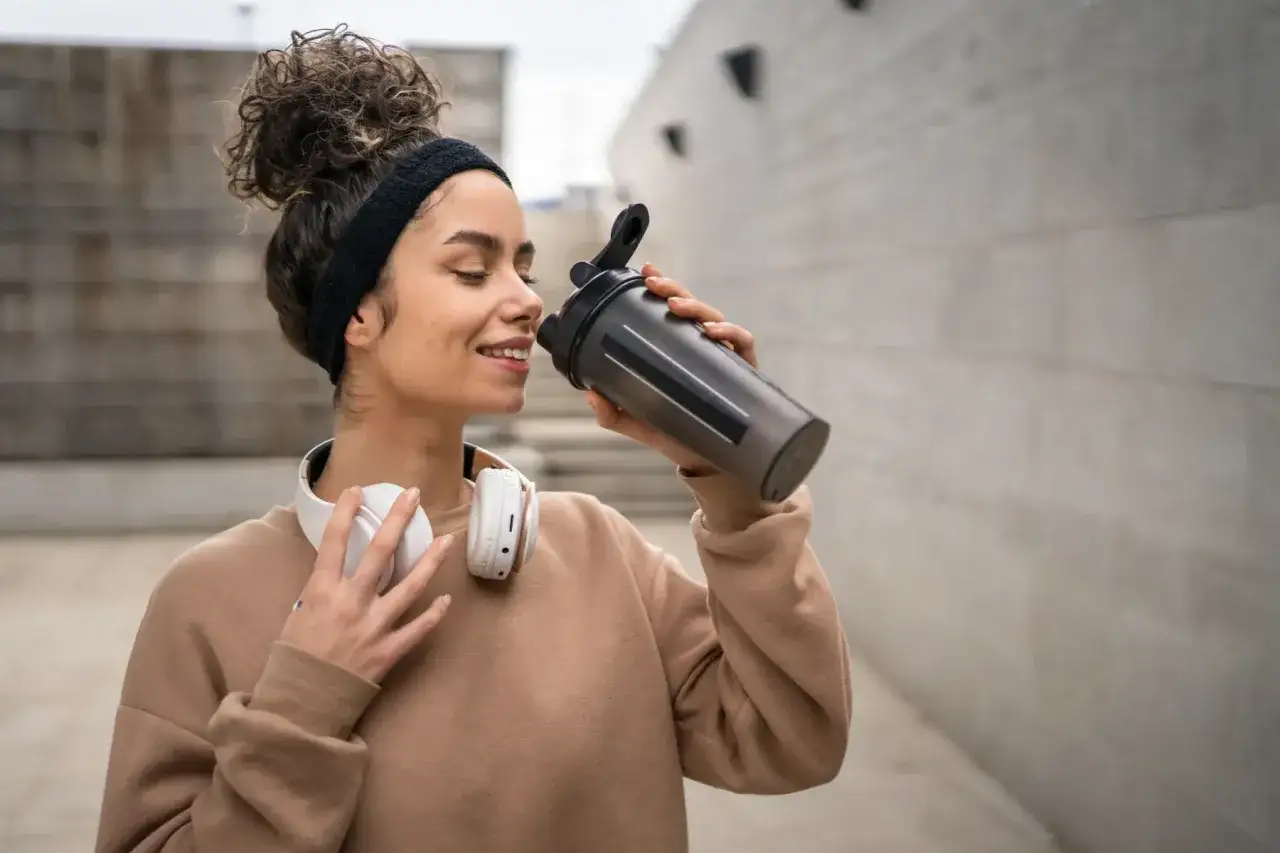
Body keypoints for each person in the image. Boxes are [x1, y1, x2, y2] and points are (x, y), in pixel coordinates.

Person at [94, 25, 852, 853]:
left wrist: (741, 489)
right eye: (471, 269)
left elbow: (794, 740)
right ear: (356, 313)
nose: (526, 300)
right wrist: (301, 703)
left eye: (523, 267)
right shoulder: (208, 598)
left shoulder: (600, 551)